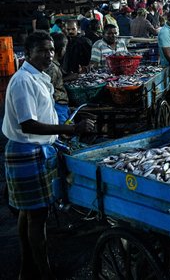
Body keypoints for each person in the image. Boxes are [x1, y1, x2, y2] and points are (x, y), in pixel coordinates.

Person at [3, 31, 94, 279]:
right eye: (42, 50)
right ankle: (43, 271)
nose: (48, 55)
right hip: (26, 150)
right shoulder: (23, 81)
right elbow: (28, 124)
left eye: (51, 50)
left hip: (35, 149)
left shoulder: (38, 77)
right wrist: (71, 129)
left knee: (27, 211)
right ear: (29, 52)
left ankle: (27, 266)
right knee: (37, 215)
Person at [46, 32, 73, 124]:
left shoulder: (54, 65)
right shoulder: (52, 67)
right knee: (63, 132)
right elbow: (49, 87)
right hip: (57, 106)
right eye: (65, 48)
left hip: (61, 106)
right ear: (61, 50)